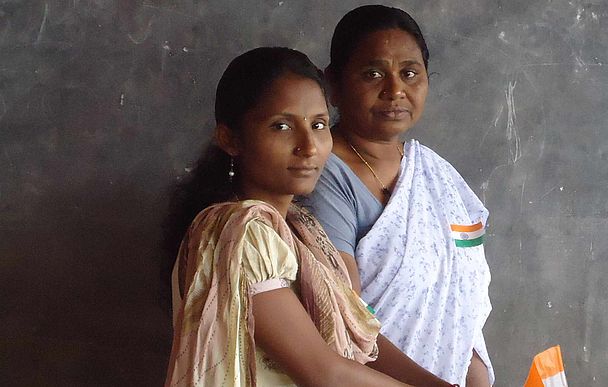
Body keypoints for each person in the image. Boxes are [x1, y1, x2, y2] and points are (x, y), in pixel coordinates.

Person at [162, 46, 454, 387]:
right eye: (282, 127)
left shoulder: (305, 232)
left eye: (319, 125)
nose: (309, 146)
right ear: (230, 139)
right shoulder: (240, 232)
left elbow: (363, 341)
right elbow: (323, 372)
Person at [301, 5, 493, 386]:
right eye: (373, 73)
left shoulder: (438, 177)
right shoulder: (322, 175)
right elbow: (344, 323)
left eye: (409, 73)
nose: (395, 90)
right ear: (334, 84)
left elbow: (462, 303)